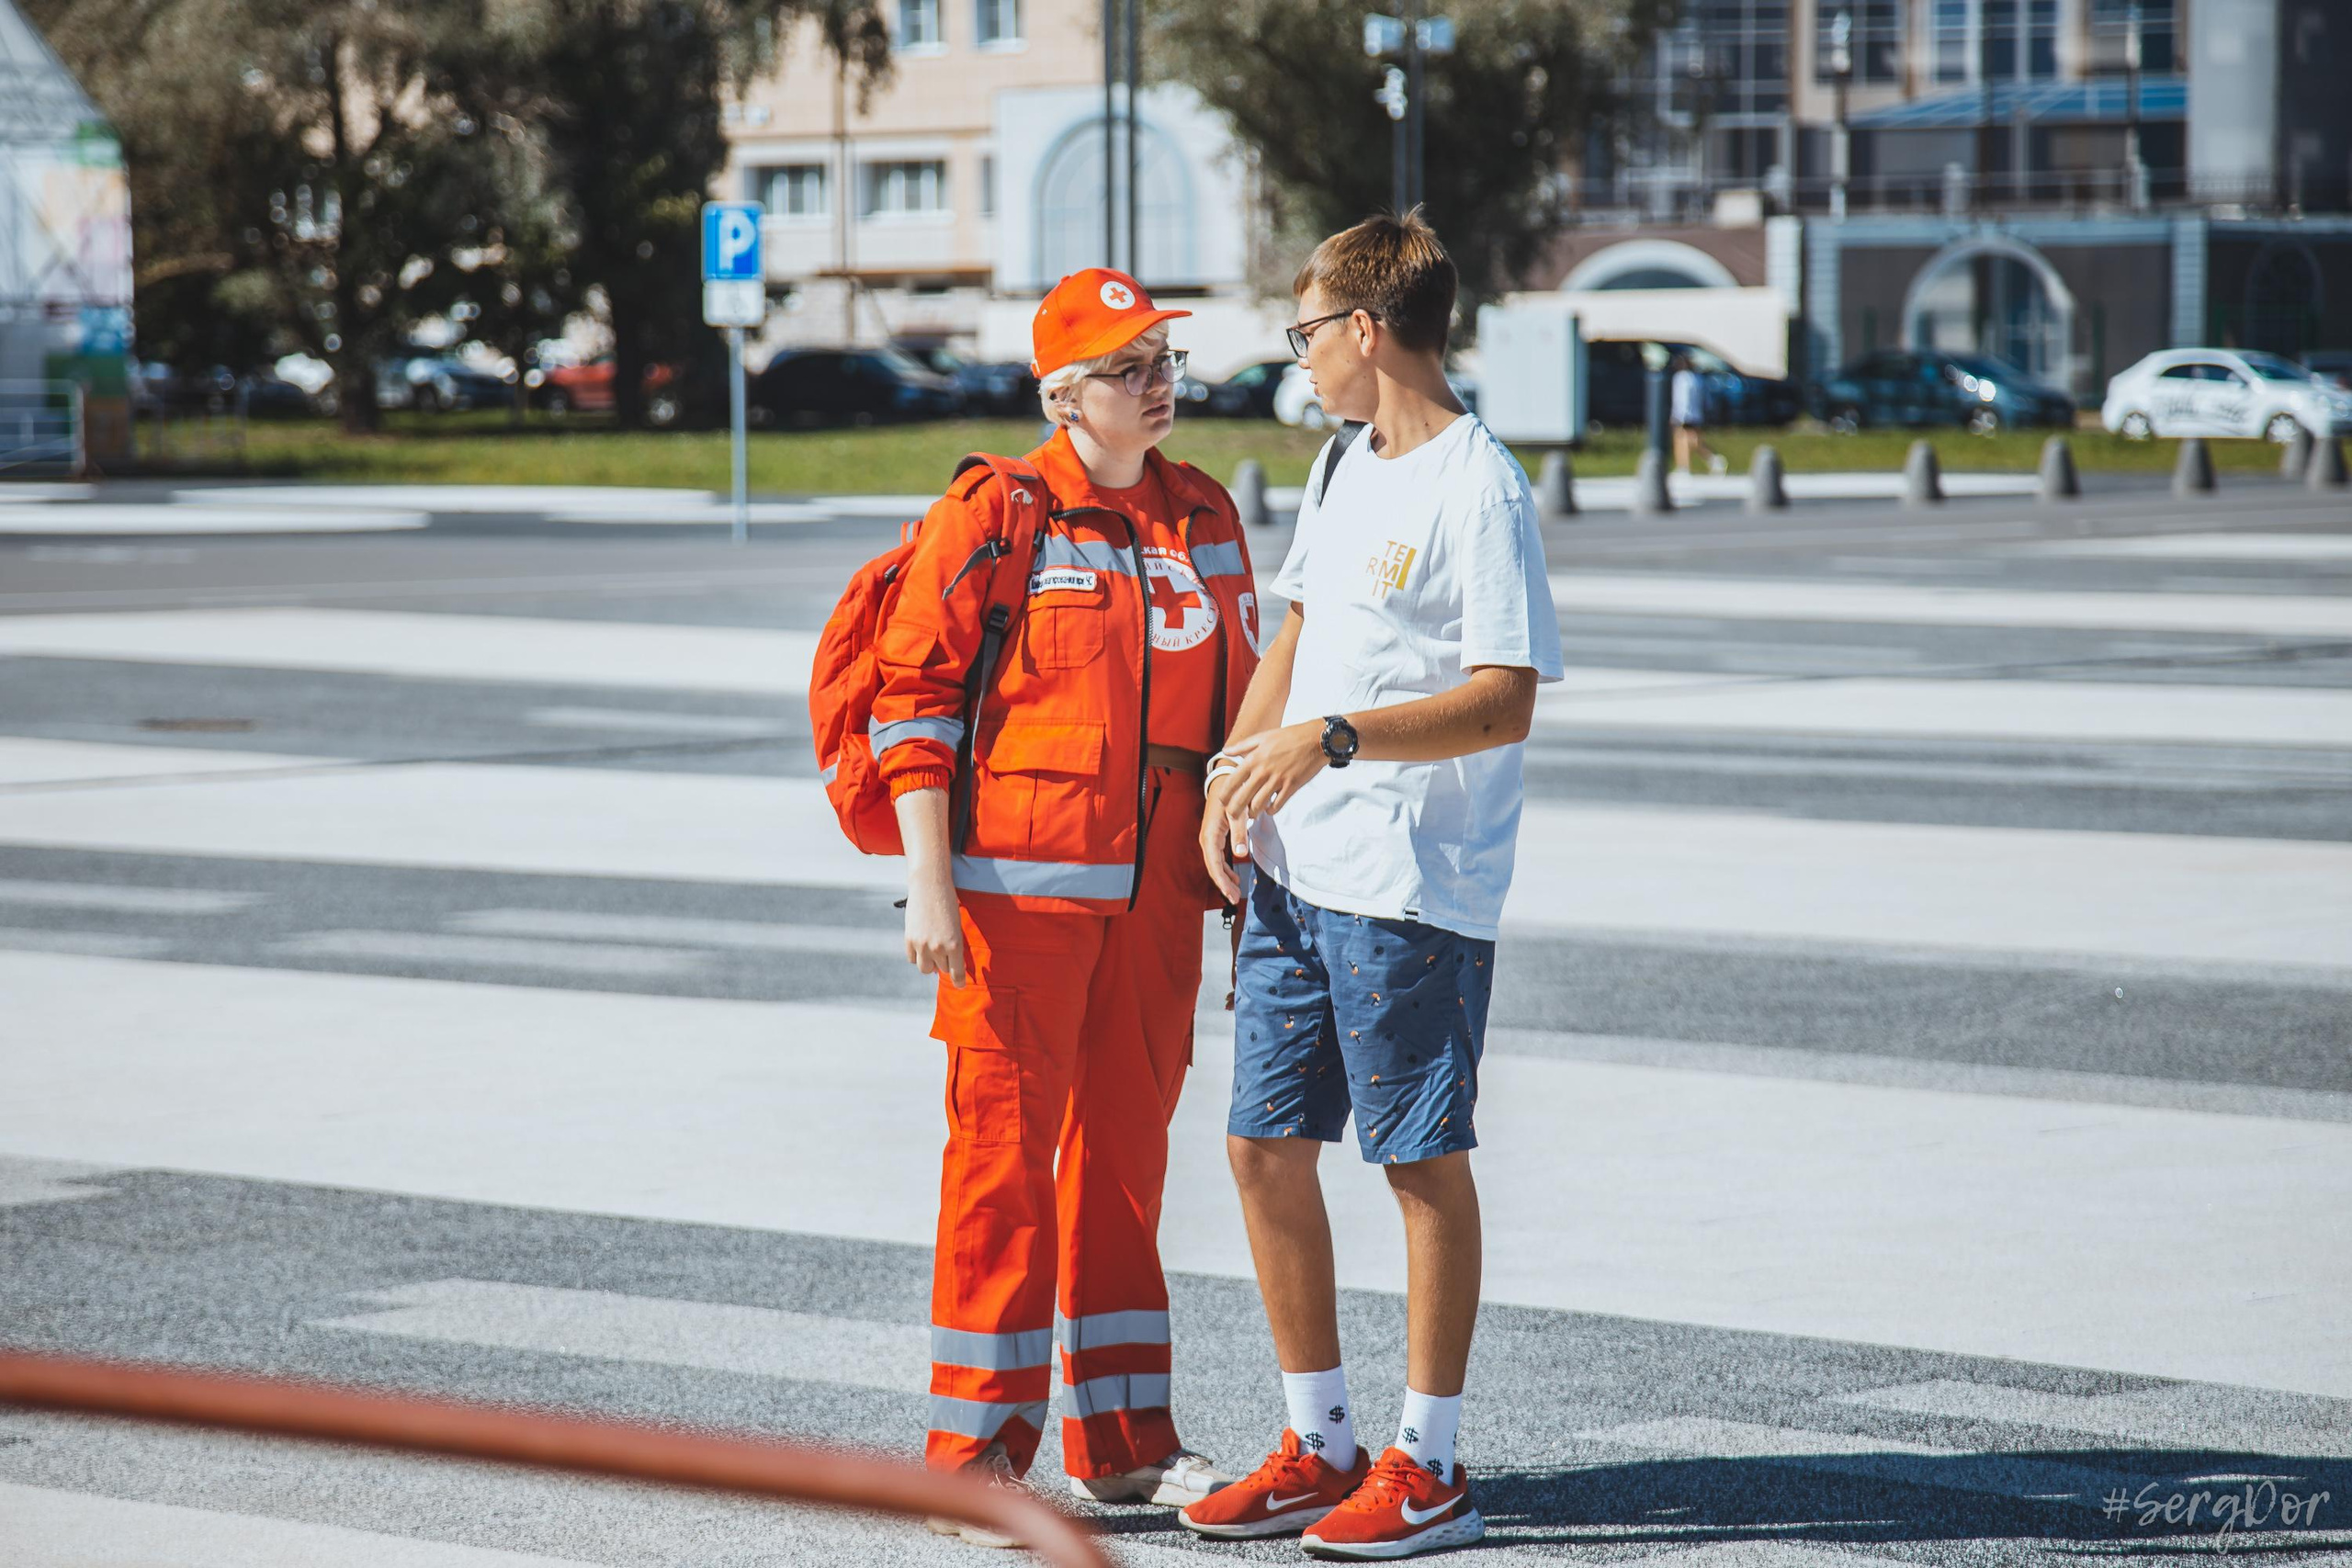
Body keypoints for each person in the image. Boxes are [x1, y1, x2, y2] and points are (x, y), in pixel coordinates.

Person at [1176, 209, 1564, 1560]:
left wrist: (1332, 741)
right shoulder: (1345, 461)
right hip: (1297, 867)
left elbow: (1505, 699)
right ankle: (1320, 1440)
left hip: (1409, 881)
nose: (1302, 362)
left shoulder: (1480, 486)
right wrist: (1232, 776)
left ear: (1365, 328)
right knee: (1260, 1146)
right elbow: (1299, 630)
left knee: (1416, 1160)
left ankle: (1430, 1462)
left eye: (1305, 335)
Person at [871, 267, 1258, 1544]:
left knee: (1126, 1171)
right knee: (1001, 1173)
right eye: (1125, 368)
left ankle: (1127, 1445)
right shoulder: (998, 512)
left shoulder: (1204, 512)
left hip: (1160, 907)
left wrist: (1248, 867)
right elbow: (913, 703)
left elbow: (1243, 708)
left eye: (1162, 363)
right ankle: (972, 1457)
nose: (1156, 386)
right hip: (1012, 912)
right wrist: (930, 879)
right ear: (1062, 395)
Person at [1670, 351, 1726, 476]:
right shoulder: (1696, 378)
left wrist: (1678, 415)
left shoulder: (1681, 378)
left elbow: (1682, 399)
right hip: (1696, 414)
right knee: (1693, 440)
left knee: (1682, 440)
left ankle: (1684, 467)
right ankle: (1710, 460)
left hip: (1685, 414)